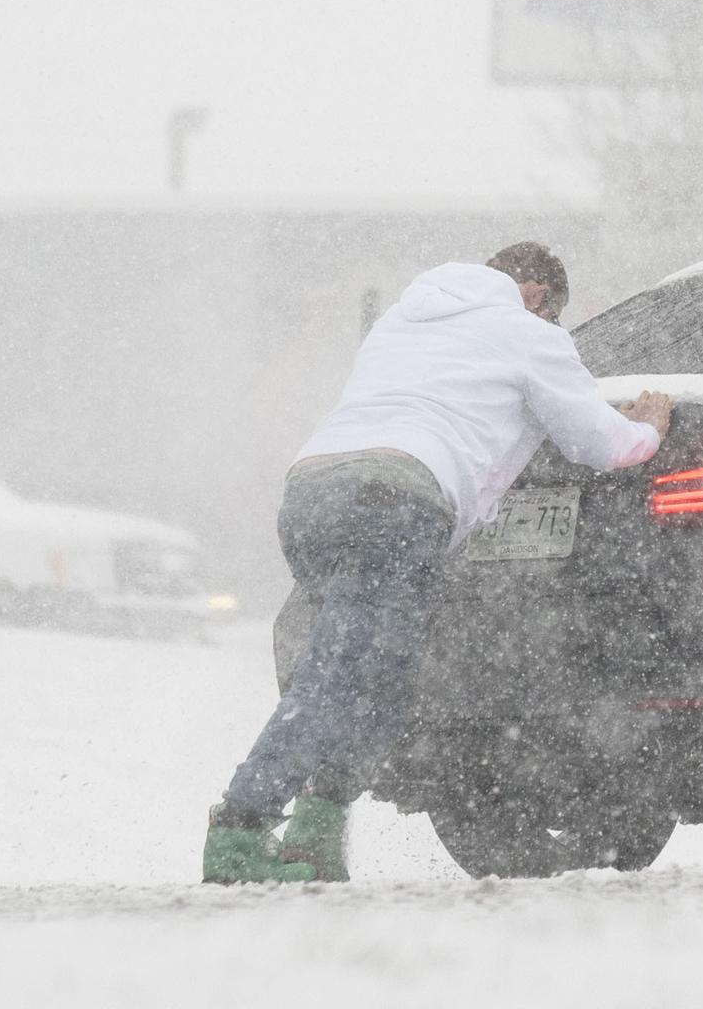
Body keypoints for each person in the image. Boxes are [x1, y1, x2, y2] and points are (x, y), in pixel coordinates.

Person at [203, 241, 672, 884]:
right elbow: (597, 440)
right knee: (340, 677)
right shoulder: (523, 331)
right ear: (535, 294)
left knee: (383, 684)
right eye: (554, 315)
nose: (555, 329)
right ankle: (240, 827)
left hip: (312, 492)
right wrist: (646, 429)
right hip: (395, 500)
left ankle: (315, 837)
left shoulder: (403, 319)